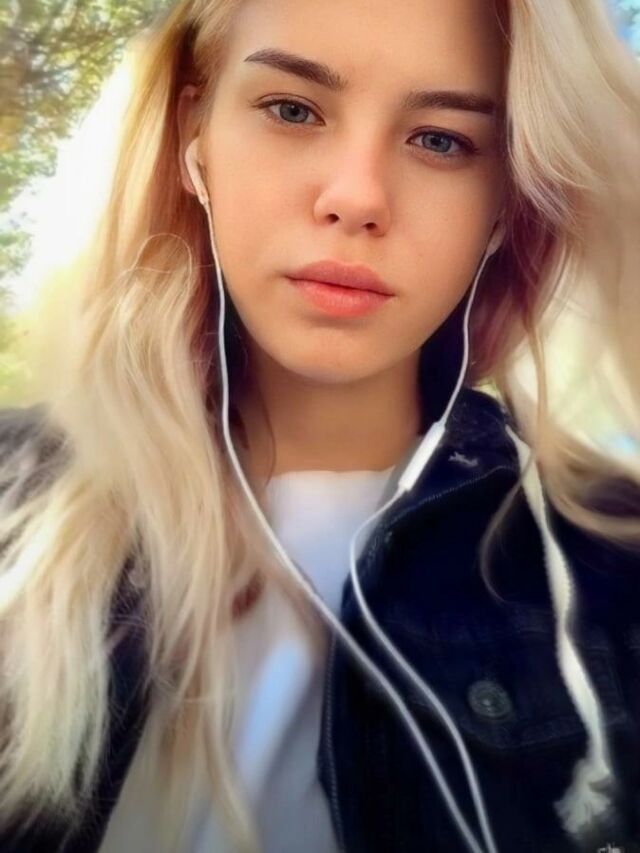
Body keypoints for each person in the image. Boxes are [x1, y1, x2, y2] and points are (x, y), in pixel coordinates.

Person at [0, 0, 638, 851]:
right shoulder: (15, 498)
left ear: (505, 205)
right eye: (293, 110)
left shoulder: (609, 560)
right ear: (195, 137)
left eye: (442, 139)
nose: (357, 197)